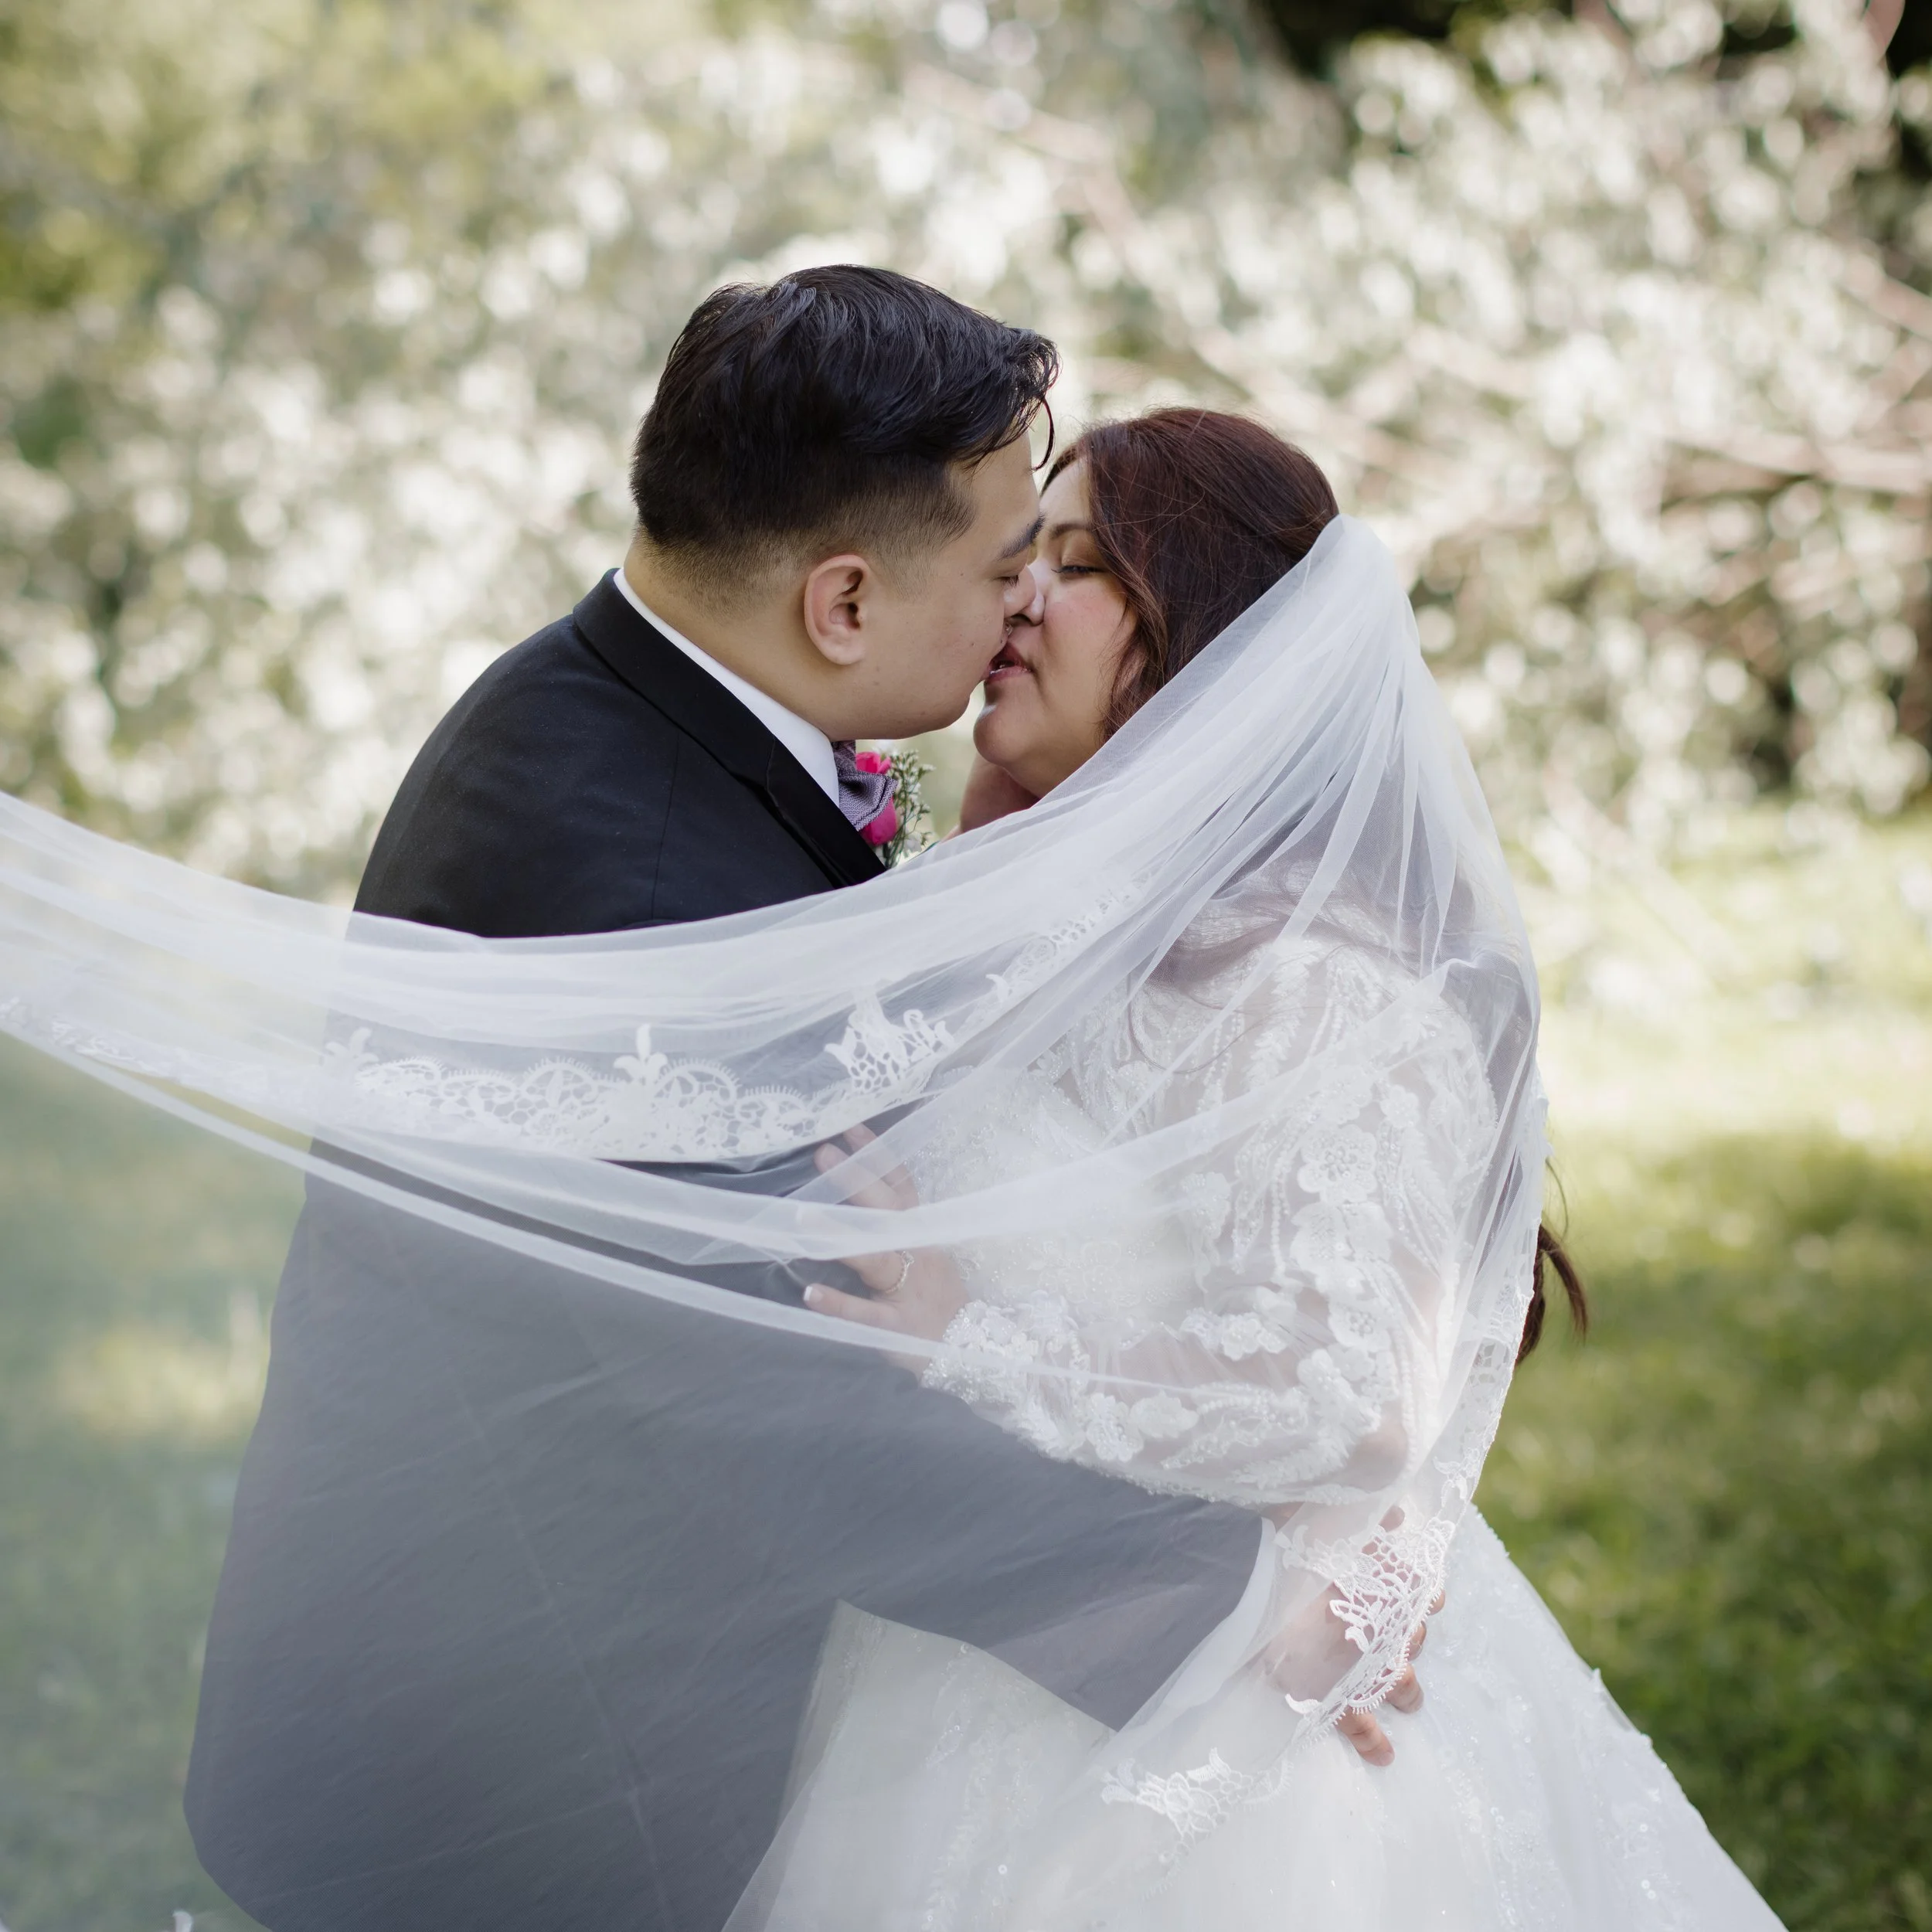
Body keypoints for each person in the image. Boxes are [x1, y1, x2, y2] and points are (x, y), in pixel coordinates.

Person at [178, 270, 1285, 1932]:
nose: (1015, 614)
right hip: (512, 1777)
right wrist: (1239, 1608)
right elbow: (795, 1418)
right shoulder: (637, 872)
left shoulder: (604, 708)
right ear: (841, 602)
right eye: (1003, 566)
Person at [725, 410, 1784, 1929]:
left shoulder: (1321, 986)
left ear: (1215, 641)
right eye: (1024, 554)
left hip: (1220, 1761)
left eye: (1078, 564)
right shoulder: (1035, 924)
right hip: (972, 1661)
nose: (1019, 595)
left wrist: (977, 1331)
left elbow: (1351, 1389)